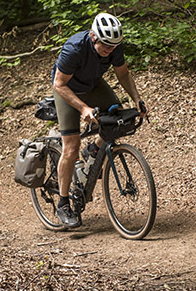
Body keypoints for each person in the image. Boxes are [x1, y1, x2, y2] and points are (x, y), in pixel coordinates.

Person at [50, 12, 148, 229]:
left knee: (118, 120)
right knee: (71, 146)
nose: (109, 50)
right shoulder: (74, 49)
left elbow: (123, 74)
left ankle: (93, 150)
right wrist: (83, 108)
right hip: (67, 90)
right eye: (105, 45)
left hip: (93, 85)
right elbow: (59, 84)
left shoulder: (114, 47)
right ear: (93, 36)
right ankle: (63, 204)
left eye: (113, 46)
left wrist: (137, 99)